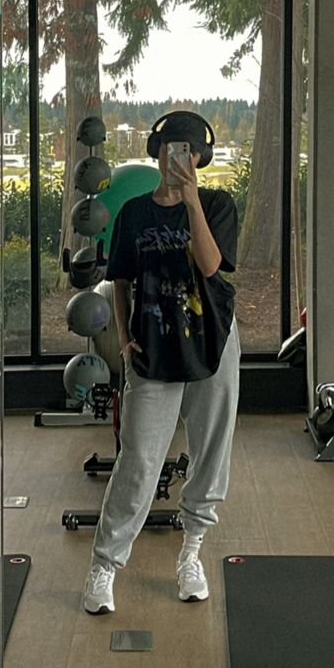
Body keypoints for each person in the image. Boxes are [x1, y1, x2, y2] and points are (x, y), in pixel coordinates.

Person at [83, 109, 240, 614]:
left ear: (201, 158)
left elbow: (211, 264)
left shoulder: (216, 204)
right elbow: (121, 281)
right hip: (152, 343)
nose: (183, 159)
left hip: (212, 339)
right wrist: (125, 339)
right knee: (140, 456)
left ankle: (191, 550)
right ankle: (105, 564)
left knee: (211, 448)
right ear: (158, 153)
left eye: (191, 152)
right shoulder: (132, 212)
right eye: (175, 150)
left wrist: (189, 198)